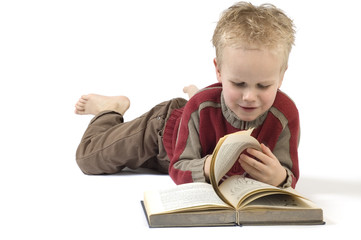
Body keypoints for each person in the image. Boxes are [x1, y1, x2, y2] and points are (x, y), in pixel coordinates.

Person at [74, 2, 300, 188]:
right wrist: (206, 167)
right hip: (161, 135)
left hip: (190, 134)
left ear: (281, 77)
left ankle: (202, 94)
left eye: (263, 85)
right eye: (239, 83)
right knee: (89, 159)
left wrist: (279, 178)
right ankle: (110, 109)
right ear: (219, 71)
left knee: (205, 105)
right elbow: (178, 168)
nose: (250, 96)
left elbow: (289, 172)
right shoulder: (201, 108)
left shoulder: (285, 115)